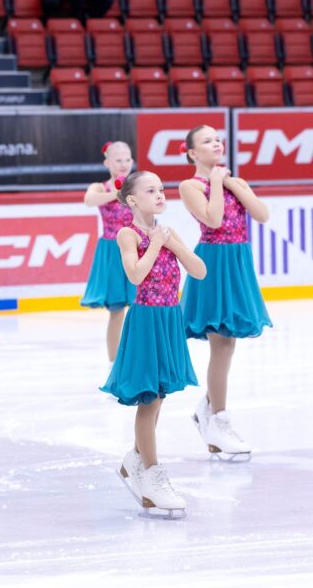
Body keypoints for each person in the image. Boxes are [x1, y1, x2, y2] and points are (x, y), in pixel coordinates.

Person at [101, 171, 206, 519]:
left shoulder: (167, 232)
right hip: (146, 321)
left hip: (169, 320)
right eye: (151, 190)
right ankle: (153, 474)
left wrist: (173, 243)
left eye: (161, 189)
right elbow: (134, 275)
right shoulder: (127, 234)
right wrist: (158, 243)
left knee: (159, 397)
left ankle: (135, 460)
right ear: (132, 200)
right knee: (148, 400)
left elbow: (200, 270)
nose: (160, 194)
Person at [178, 126, 271, 458]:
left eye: (217, 139)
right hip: (213, 265)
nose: (216, 143)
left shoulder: (235, 182)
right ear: (192, 153)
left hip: (237, 262)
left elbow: (261, 215)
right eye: (206, 141)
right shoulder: (189, 186)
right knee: (221, 342)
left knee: (227, 344)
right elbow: (213, 220)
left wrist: (233, 184)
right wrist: (218, 182)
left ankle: (210, 411)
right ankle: (218, 419)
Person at [80, 141, 137, 365]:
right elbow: (88, 200)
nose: (123, 164)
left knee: (141, 306)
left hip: (138, 248)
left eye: (127, 159)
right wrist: (117, 192)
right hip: (113, 252)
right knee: (116, 310)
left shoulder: (139, 184)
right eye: (118, 160)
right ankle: (115, 363)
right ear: (107, 163)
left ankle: (138, 356)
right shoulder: (100, 187)